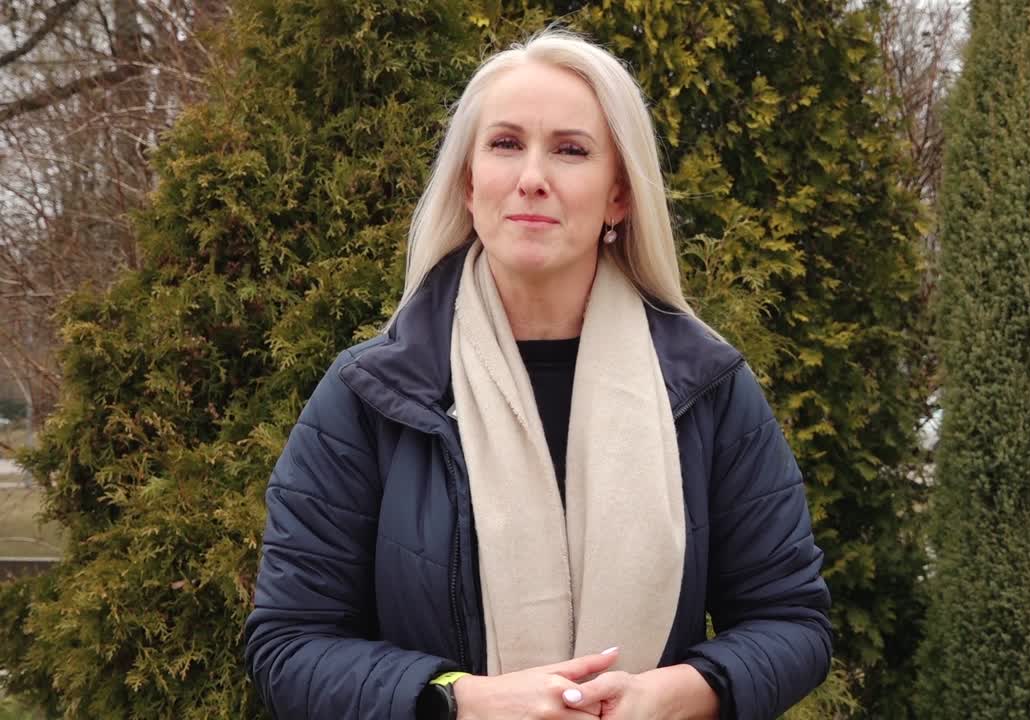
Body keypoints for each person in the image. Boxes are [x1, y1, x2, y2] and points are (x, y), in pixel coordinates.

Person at [243, 28, 832, 720]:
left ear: (618, 196)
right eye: (504, 144)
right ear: (468, 182)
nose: (531, 176)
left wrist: (674, 695)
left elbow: (794, 622)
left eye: (571, 150)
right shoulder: (372, 396)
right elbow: (287, 645)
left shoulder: (707, 390)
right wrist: (462, 702)